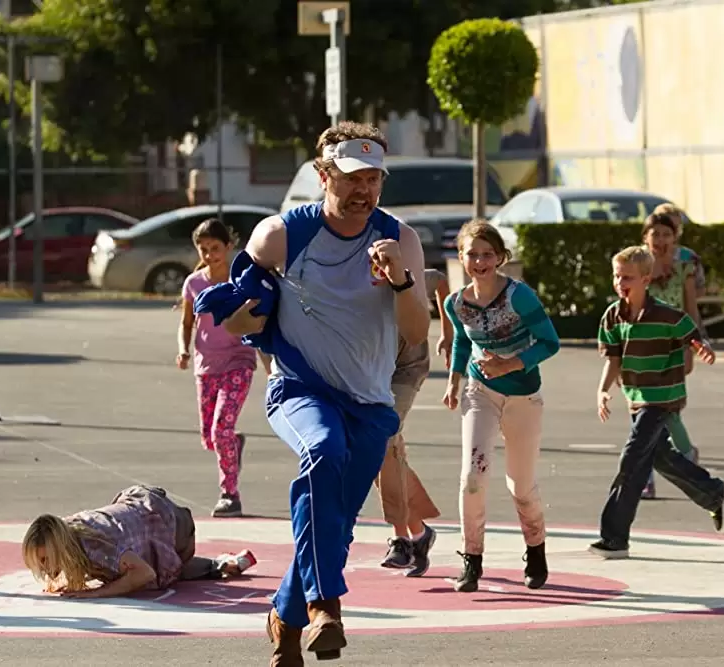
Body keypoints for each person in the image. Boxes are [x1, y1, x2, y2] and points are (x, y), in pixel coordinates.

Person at [220, 122, 429, 665]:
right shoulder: (281, 235)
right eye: (352, 179)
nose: (364, 192)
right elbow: (238, 317)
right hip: (298, 387)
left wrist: (401, 279)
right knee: (322, 452)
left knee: (332, 525)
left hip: (370, 402)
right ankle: (324, 607)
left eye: (374, 180)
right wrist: (242, 314)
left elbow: (416, 332)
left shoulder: (399, 238)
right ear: (323, 174)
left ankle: (284, 622)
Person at [443, 220, 560, 593]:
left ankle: (536, 550)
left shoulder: (519, 296)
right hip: (480, 394)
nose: (480, 261)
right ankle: (471, 559)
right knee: (472, 478)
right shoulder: (456, 302)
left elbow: (549, 342)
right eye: (472, 254)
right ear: (461, 258)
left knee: (521, 486)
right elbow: (462, 340)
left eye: (487, 254)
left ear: (500, 258)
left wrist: (511, 364)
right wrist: (454, 380)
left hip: (524, 396)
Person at [591, 246, 724, 561]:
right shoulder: (612, 317)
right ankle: (711, 493)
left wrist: (703, 348)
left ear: (646, 279)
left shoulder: (667, 315)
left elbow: (692, 336)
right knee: (660, 457)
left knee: (632, 460)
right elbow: (613, 360)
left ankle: (614, 537)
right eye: (617, 276)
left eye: (627, 277)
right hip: (636, 399)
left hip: (663, 398)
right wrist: (602, 390)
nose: (620, 282)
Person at [22, 485, 256, 599]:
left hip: (172, 524)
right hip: (148, 509)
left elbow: (144, 574)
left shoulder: (93, 545)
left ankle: (225, 564)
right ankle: (227, 564)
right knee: (164, 565)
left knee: (162, 571)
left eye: (45, 560)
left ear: (59, 547)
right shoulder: (68, 531)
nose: (43, 568)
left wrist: (97, 593)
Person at [177, 219, 265, 518]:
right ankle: (232, 445)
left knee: (220, 430)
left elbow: (260, 315)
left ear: (229, 247)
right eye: (203, 249)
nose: (209, 254)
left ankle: (230, 494)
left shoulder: (240, 281)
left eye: (215, 248)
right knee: (210, 438)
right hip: (206, 365)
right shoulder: (194, 283)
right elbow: (187, 323)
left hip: (238, 361)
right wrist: (183, 349)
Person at [375, 268, 450, 576]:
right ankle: (419, 532)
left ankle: (401, 539)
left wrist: (449, 330)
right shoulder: (347, 279)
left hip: (407, 369)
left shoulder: (413, 276)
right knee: (383, 454)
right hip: (370, 371)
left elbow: (442, 282)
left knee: (382, 439)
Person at [639, 212, 710, 499]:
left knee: (663, 411)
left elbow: (691, 306)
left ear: (674, 237)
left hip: (673, 345)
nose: (660, 240)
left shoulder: (684, 267)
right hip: (643, 345)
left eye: (666, 234)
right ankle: (680, 456)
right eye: (655, 234)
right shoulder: (637, 264)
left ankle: (677, 457)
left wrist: (695, 341)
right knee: (646, 412)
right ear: (646, 237)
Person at [651, 203, 706, 298]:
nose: (673, 232)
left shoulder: (688, 257)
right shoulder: (640, 256)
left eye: (677, 228)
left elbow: (700, 288)